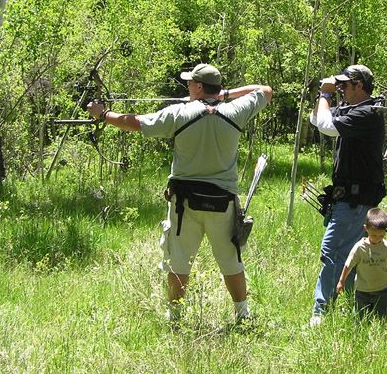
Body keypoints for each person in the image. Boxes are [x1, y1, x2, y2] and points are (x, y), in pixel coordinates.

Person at [86, 63, 273, 323]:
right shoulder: (236, 111)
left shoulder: (179, 113)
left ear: (198, 86)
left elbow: (135, 123)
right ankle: (242, 313)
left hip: (185, 204)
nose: (187, 86)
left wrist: (103, 114)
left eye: (190, 82)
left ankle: (174, 316)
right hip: (223, 204)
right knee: (231, 261)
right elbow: (265, 90)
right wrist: (224, 96)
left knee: (179, 260)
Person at [308, 64, 386, 326]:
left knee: (332, 251)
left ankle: (321, 312)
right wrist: (324, 97)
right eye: (338, 85)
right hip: (349, 197)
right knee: (353, 253)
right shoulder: (353, 109)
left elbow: (326, 126)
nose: (340, 88)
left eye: (344, 85)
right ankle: (361, 307)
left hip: (356, 199)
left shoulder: (367, 113)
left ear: (359, 86)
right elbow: (315, 120)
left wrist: (326, 96)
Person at [336, 208, 387, 319]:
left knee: (386, 317)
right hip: (363, 290)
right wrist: (341, 281)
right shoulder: (359, 248)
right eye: (374, 235)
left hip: (384, 289)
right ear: (366, 228)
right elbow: (348, 265)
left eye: (381, 236)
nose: (377, 239)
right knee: (361, 319)